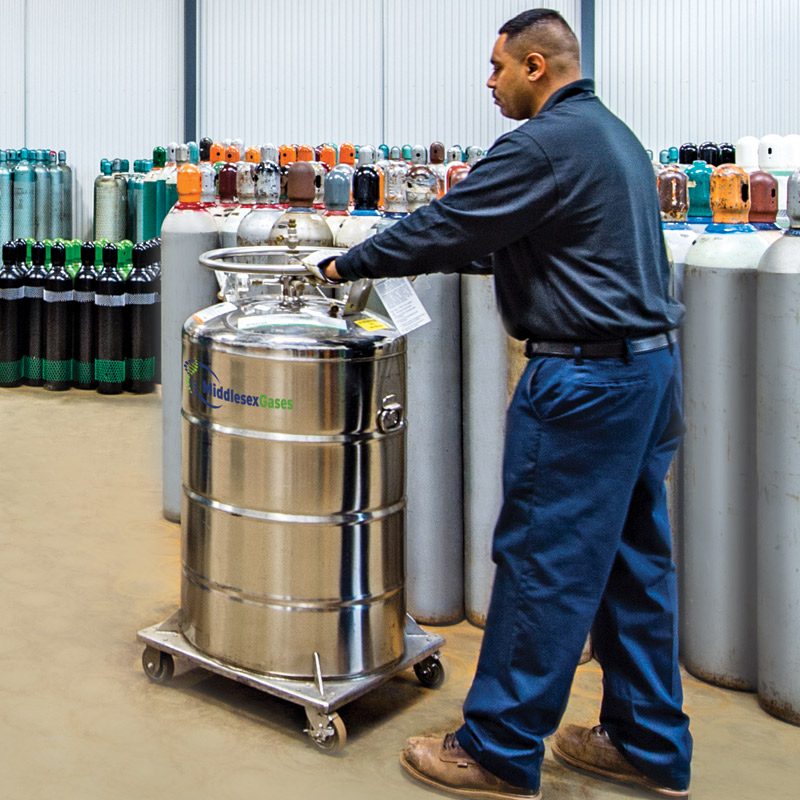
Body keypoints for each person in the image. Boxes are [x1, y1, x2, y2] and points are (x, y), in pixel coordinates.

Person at [315, 8, 692, 799]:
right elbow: (545, 239)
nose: (487, 83)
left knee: (542, 566)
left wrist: (343, 264)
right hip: (650, 376)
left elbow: (449, 224)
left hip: (585, 388)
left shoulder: (541, 143)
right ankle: (647, 742)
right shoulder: (615, 136)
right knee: (633, 567)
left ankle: (496, 749)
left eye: (496, 68)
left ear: (535, 67)